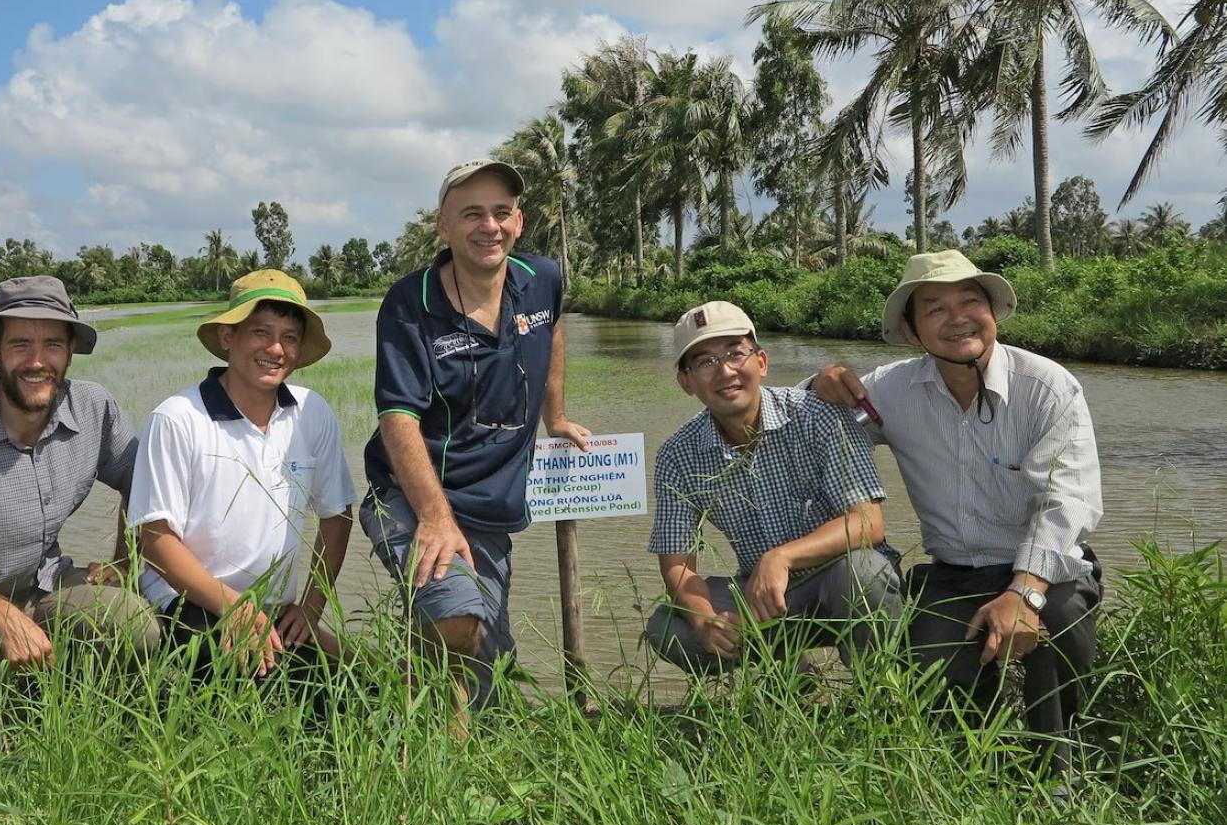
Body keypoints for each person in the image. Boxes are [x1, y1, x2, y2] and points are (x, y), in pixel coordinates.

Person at [810, 250, 1103, 749]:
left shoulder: (1047, 388)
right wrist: (822, 382)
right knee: (934, 681)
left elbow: (1066, 502)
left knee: (1057, 622)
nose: (957, 318)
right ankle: (968, 769)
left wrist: (1023, 593)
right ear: (913, 330)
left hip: (1042, 570)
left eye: (971, 301)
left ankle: (1056, 765)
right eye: (935, 308)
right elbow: (797, 412)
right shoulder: (893, 390)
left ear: (993, 312)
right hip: (954, 573)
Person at [360, 157, 591, 709]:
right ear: (443, 225)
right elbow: (398, 417)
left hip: (491, 508)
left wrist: (553, 416)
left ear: (519, 222)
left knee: (488, 658)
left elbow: (552, 326)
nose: (489, 226)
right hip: (410, 496)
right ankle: (433, 747)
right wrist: (436, 519)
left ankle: (414, 689)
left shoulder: (542, 280)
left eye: (501, 212)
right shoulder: (409, 304)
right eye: (471, 214)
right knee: (459, 620)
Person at [0, 275, 159, 666]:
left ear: (70, 352)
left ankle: (87, 713)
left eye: (52, 345)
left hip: (46, 586)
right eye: (20, 345)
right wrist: (4, 618)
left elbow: (142, 483)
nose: (37, 362)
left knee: (134, 622)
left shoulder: (93, 408)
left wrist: (122, 564)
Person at [643, 301, 901, 674]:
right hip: (762, 597)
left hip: (839, 580)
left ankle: (877, 691)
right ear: (686, 382)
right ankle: (793, 672)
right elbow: (678, 563)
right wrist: (704, 620)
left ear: (761, 362)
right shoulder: (678, 455)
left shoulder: (819, 414)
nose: (726, 371)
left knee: (865, 573)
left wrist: (781, 557)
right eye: (705, 363)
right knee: (668, 626)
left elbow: (868, 523)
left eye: (735, 353)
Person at [126, 270, 356, 677]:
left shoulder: (311, 412)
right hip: (189, 601)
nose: (275, 349)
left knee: (349, 689)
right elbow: (155, 540)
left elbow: (336, 515)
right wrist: (234, 606)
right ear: (229, 337)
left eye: (289, 337)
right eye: (260, 332)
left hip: (276, 608)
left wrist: (310, 607)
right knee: (247, 688)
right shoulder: (177, 418)